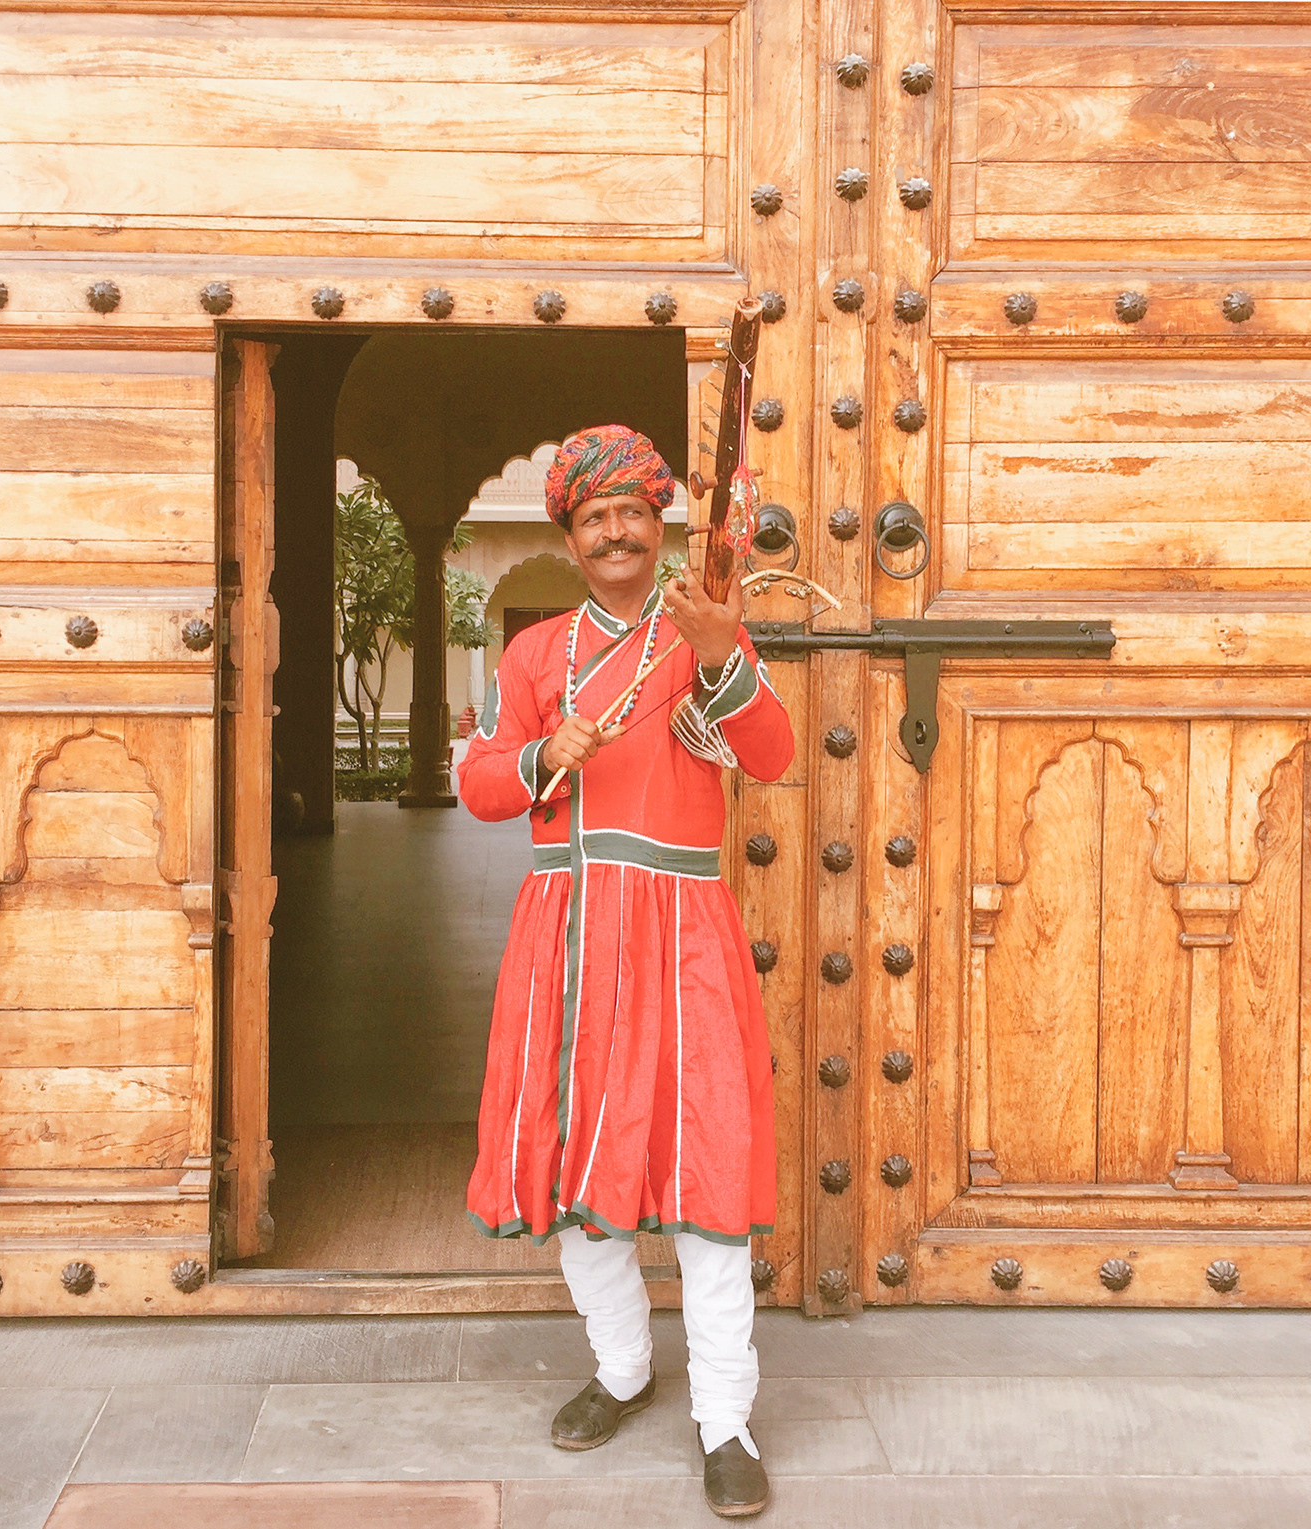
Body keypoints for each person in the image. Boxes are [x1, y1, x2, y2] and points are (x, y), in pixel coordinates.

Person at [458, 424, 793, 1518]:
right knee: (573, 1178)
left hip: (683, 931)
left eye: (636, 512)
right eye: (597, 515)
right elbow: (482, 786)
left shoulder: (702, 627)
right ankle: (622, 1368)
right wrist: (540, 755)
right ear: (569, 533)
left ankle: (726, 1418)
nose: (618, 529)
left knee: (704, 1178)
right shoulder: (534, 655)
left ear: (662, 527)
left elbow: (777, 756)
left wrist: (727, 653)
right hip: (566, 936)